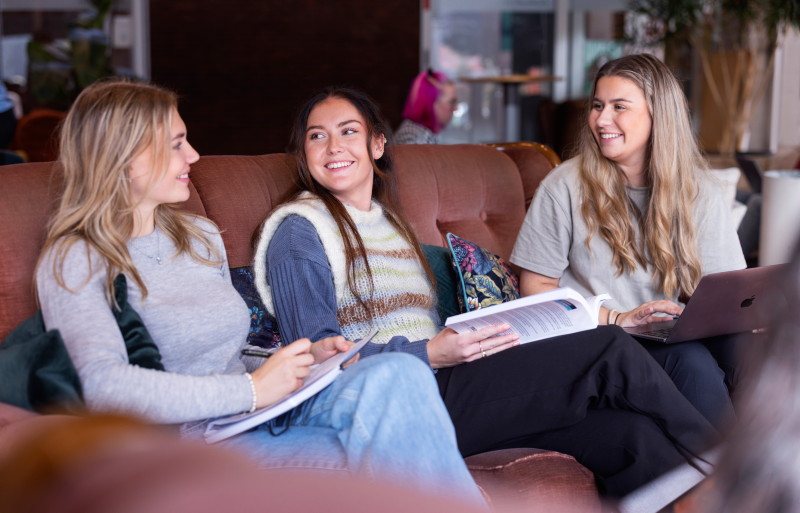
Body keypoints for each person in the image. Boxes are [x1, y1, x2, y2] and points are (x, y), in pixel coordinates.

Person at [32, 79, 486, 507]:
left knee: (397, 374)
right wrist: (251, 389)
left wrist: (301, 361)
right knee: (389, 445)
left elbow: (226, 350)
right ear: (124, 157)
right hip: (184, 443)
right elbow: (102, 386)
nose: (193, 154)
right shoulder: (75, 257)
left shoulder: (198, 236)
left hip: (256, 413)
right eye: (176, 144)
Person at [254, 85, 722, 498]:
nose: (333, 146)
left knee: (632, 438)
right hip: (401, 401)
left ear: (378, 144)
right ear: (305, 152)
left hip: (452, 380)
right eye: (317, 136)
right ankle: (734, 473)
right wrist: (429, 353)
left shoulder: (387, 224)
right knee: (609, 349)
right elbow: (315, 357)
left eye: (348, 132)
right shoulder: (299, 231)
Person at [511, 54, 746, 430]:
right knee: (691, 362)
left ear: (659, 116)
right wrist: (617, 317)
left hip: (672, 328)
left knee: (755, 354)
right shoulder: (564, 185)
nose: (602, 120)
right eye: (598, 106)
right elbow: (534, 288)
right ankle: (729, 482)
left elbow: (728, 290)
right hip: (604, 337)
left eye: (619, 107)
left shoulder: (700, 189)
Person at [393, 69, 457, 145]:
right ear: (432, 104)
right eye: (451, 102)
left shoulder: (423, 132)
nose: (456, 108)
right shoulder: (416, 137)